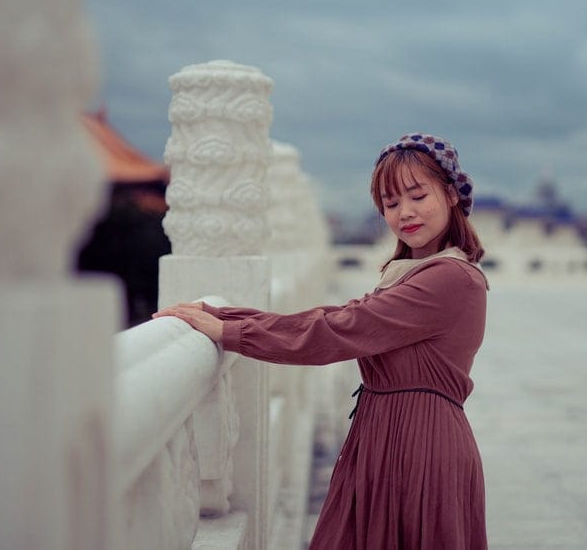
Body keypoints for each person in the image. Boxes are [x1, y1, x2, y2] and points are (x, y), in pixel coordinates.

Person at [154, 132, 489, 549]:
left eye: (418, 195)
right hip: (385, 437)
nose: (405, 212)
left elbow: (341, 329)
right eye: (391, 203)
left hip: (420, 448)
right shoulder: (414, 272)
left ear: (452, 194)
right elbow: (340, 317)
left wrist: (233, 332)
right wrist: (225, 316)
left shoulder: (450, 278)